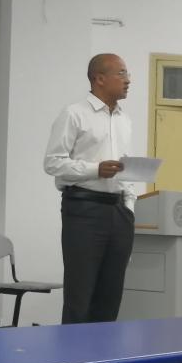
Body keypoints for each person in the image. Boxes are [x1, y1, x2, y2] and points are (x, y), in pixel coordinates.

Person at [43, 53, 135, 324]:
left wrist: (129, 207)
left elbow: (125, 170)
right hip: (84, 210)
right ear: (99, 78)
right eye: (122, 73)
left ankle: (102, 352)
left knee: (111, 295)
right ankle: (74, 352)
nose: (128, 80)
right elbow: (53, 163)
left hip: (119, 212)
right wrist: (95, 170)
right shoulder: (74, 114)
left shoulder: (124, 120)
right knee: (80, 296)